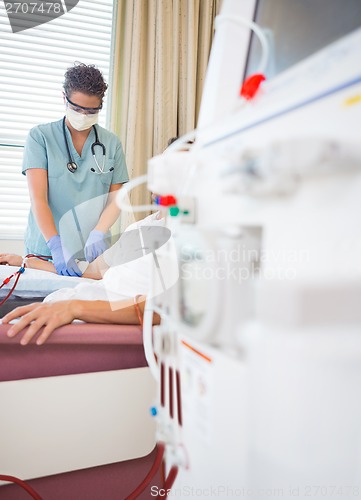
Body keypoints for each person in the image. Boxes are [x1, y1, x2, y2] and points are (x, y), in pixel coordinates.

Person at [23, 62, 129, 277]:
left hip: (92, 254)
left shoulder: (111, 143)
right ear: (65, 98)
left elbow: (116, 198)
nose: (83, 115)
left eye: (91, 110)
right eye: (77, 108)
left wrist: (99, 232)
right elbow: (39, 199)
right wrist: (55, 244)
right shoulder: (40, 137)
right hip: (47, 252)